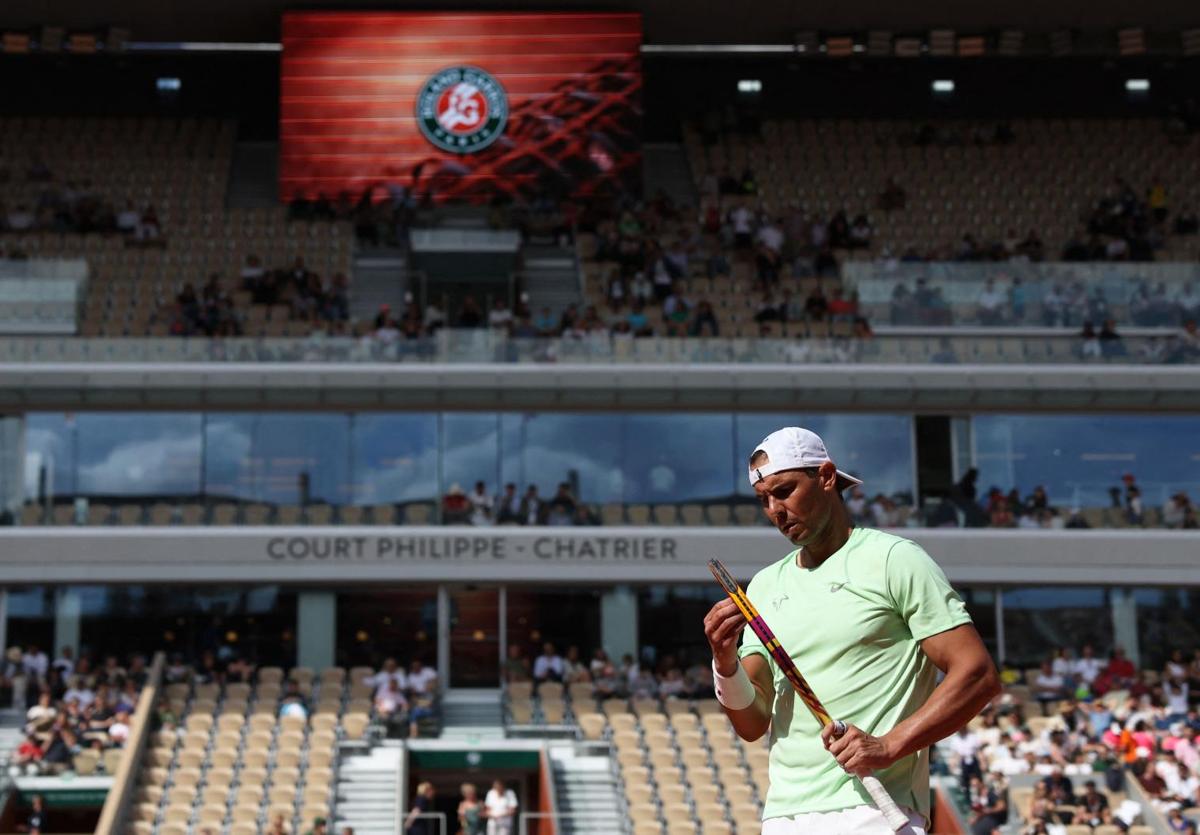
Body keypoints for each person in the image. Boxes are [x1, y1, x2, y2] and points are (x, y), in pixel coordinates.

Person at [703, 426, 1000, 834]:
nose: (775, 510)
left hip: (876, 812)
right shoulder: (765, 586)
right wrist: (723, 662)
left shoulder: (895, 559)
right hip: (785, 815)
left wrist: (888, 746)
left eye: (785, 491)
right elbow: (752, 723)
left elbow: (978, 674)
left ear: (826, 477)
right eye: (763, 500)